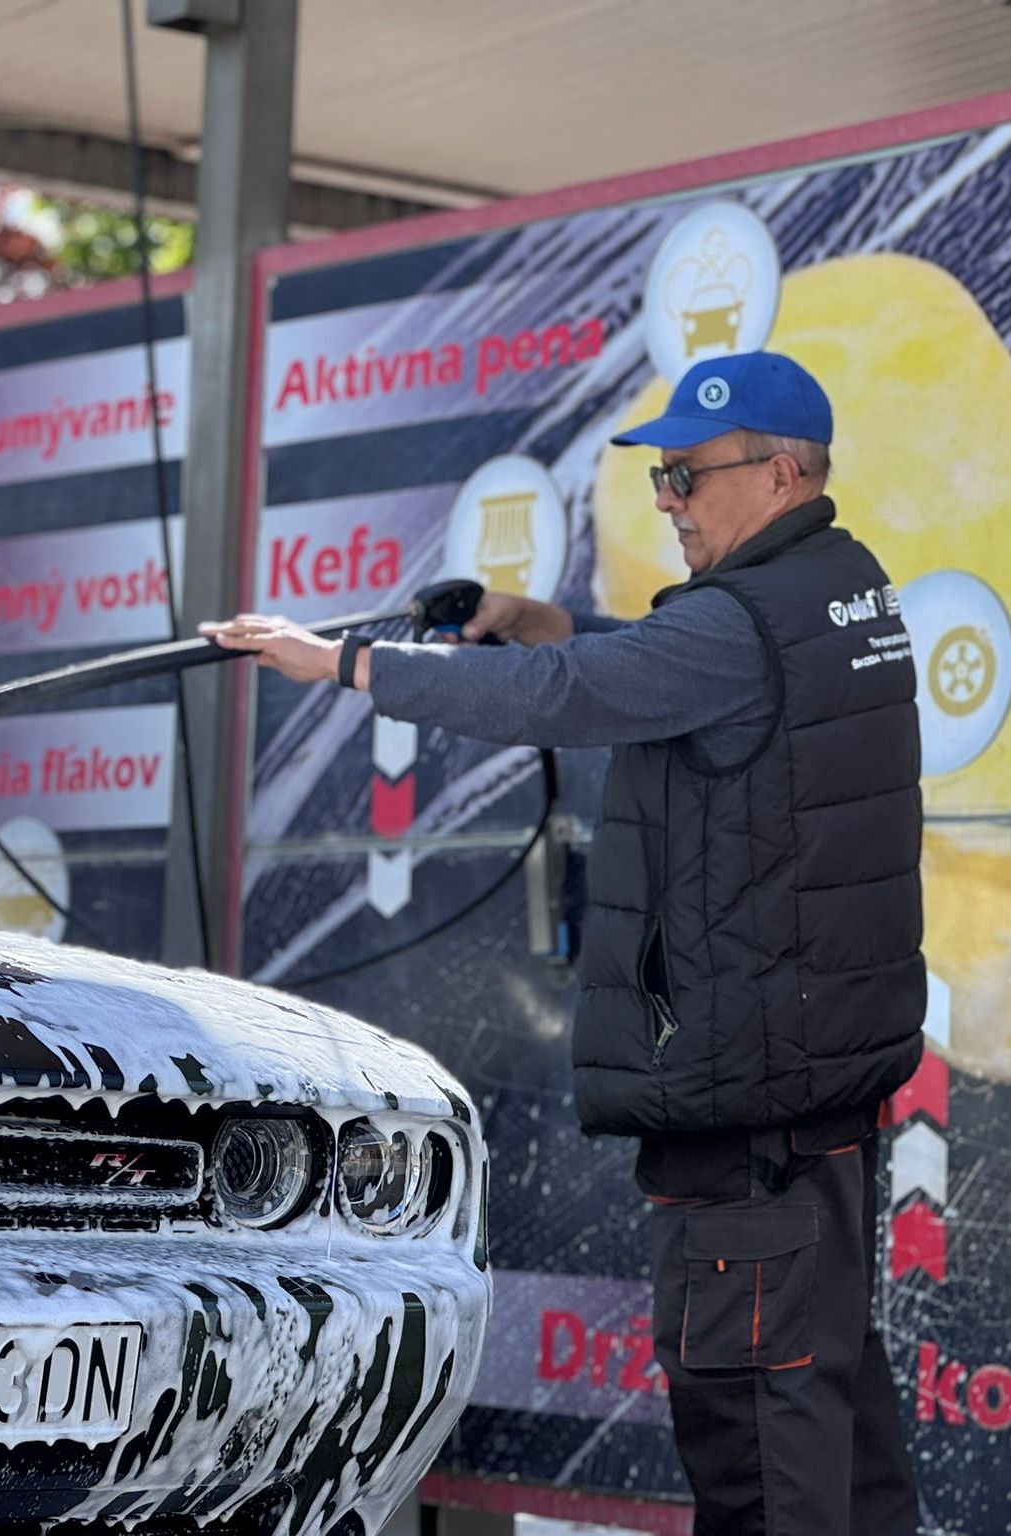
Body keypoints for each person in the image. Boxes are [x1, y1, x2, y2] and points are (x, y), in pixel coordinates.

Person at [203, 350, 923, 1536]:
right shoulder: (839, 590)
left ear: (779, 474)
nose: (668, 501)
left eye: (687, 475)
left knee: (760, 1461)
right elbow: (661, 670)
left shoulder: (738, 624)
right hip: (818, 1119)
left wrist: (342, 663)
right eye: (658, 478)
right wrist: (541, 625)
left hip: (746, 1132)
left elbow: (571, 696)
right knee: (836, 1445)